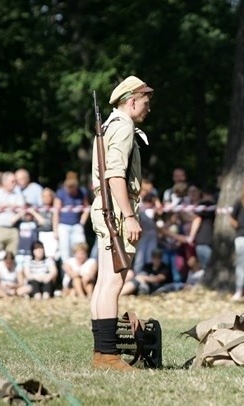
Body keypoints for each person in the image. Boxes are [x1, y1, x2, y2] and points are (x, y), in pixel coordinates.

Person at [90, 75, 153, 371]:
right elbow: (115, 175)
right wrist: (128, 216)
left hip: (106, 207)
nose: (148, 107)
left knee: (105, 283)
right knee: (114, 283)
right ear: (132, 101)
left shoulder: (111, 125)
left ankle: (102, 352)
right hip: (116, 209)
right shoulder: (124, 126)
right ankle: (106, 354)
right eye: (146, 100)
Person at [53, 171, 90, 264]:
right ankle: (67, 274)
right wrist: (55, 230)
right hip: (63, 225)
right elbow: (56, 212)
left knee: (81, 248)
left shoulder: (82, 192)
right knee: (65, 252)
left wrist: (82, 222)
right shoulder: (61, 193)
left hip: (76, 225)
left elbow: (86, 208)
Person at [0, 171, 26, 254]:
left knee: (12, 256)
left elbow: (22, 210)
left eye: (15, 181)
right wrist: (10, 205)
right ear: (4, 182)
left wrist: (3, 206)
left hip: (13, 230)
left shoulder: (18, 194)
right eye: (13, 181)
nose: (15, 184)